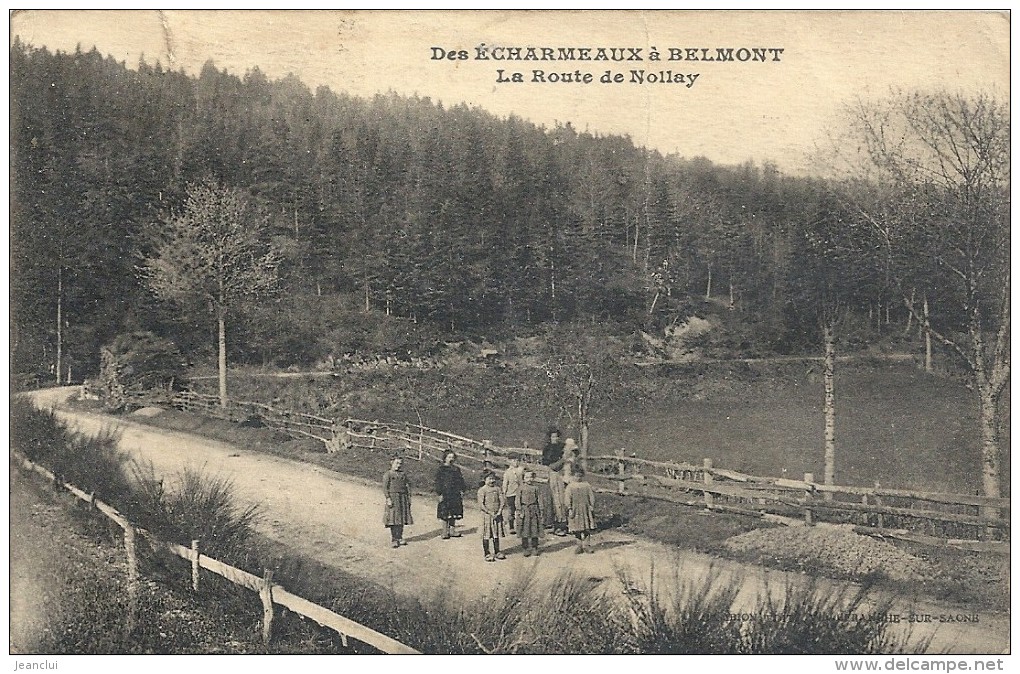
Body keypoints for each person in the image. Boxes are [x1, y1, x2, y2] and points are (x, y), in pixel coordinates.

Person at [539, 428, 567, 534]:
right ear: (550, 438)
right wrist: (562, 460)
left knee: (564, 500)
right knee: (555, 500)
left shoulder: (563, 446)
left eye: (557, 436)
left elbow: (573, 454)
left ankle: (565, 524)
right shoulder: (547, 449)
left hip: (565, 474)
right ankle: (557, 525)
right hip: (554, 474)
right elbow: (548, 464)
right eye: (553, 436)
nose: (555, 438)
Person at [564, 468, 597, 554]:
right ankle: (579, 545)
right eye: (576, 476)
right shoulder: (570, 486)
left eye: (580, 476)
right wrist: (569, 509)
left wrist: (591, 505)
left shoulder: (586, 485)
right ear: (572, 476)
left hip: (585, 509)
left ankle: (586, 545)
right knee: (576, 528)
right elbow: (567, 498)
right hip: (575, 509)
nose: (578, 478)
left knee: (586, 528)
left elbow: (591, 496)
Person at [434, 450, 466, 539]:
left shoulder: (456, 469)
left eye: (452, 457)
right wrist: (439, 493)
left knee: (454, 512)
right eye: (449, 457)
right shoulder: (441, 469)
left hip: (455, 494)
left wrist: (462, 490)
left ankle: (452, 530)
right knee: (445, 512)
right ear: (445, 458)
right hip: (445, 494)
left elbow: (460, 480)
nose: (451, 459)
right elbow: (438, 482)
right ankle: (445, 531)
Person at [383, 456, 413, 548]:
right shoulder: (388, 474)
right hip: (393, 498)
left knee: (401, 518)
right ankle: (394, 538)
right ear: (391, 463)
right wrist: (388, 498)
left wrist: (409, 497)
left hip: (402, 498)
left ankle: (400, 537)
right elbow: (385, 487)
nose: (398, 465)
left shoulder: (403, 474)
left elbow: (408, 485)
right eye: (396, 463)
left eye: (400, 463)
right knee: (393, 519)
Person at [477, 472, 507, 561]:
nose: (492, 481)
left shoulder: (497, 489)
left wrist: (499, 511)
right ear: (484, 480)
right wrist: (490, 512)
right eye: (489, 479)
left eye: (493, 479)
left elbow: (502, 501)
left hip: (497, 515)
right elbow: (481, 504)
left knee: (496, 534)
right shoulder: (482, 490)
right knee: (486, 534)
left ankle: (497, 551)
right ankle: (487, 553)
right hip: (487, 516)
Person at [515, 469, 544, 557]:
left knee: (535, 529)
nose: (529, 479)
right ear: (523, 478)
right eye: (527, 477)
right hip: (524, 510)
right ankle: (525, 548)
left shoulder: (536, 488)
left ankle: (535, 547)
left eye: (531, 477)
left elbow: (539, 499)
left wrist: (541, 509)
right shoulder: (520, 488)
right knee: (525, 529)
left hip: (534, 509)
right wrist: (519, 510)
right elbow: (517, 500)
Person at [501, 456, 524, 534]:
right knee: (511, 510)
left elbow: (523, 480)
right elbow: (505, 483)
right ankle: (511, 526)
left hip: (519, 493)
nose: (516, 462)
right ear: (510, 461)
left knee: (520, 509)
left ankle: (520, 526)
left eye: (517, 461)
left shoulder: (521, 470)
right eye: (513, 460)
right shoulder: (507, 472)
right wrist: (504, 492)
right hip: (510, 494)